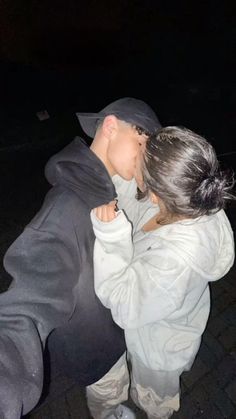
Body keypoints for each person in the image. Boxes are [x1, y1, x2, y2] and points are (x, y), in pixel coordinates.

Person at [0, 98, 161, 418]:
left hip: (113, 331)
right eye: (142, 142)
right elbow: (28, 301)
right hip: (97, 351)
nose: (146, 158)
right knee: (111, 400)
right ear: (112, 127)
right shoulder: (69, 203)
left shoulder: (103, 189)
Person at [90, 126, 235, 419]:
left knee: (154, 397)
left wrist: (111, 236)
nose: (137, 150)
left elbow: (123, 305)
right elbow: (140, 207)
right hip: (159, 324)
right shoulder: (187, 197)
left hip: (159, 351)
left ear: (156, 195)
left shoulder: (175, 262)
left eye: (140, 159)